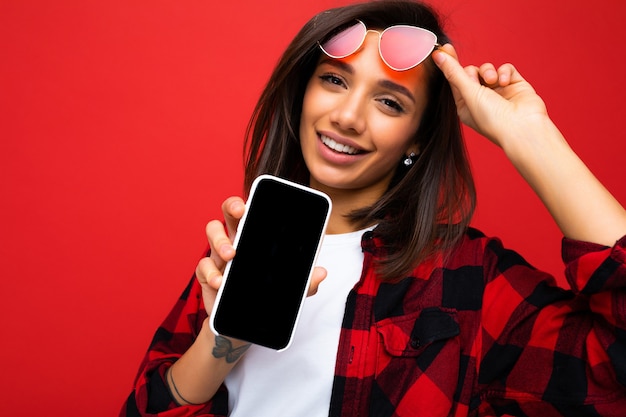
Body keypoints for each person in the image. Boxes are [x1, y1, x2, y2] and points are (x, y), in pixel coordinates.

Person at [120, 0, 626, 415]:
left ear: (417, 139)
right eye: (334, 80)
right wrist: (220, 337)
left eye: (390, 103)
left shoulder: (469, 278)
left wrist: (529, 136)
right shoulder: (244, 246)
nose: (346, 116)